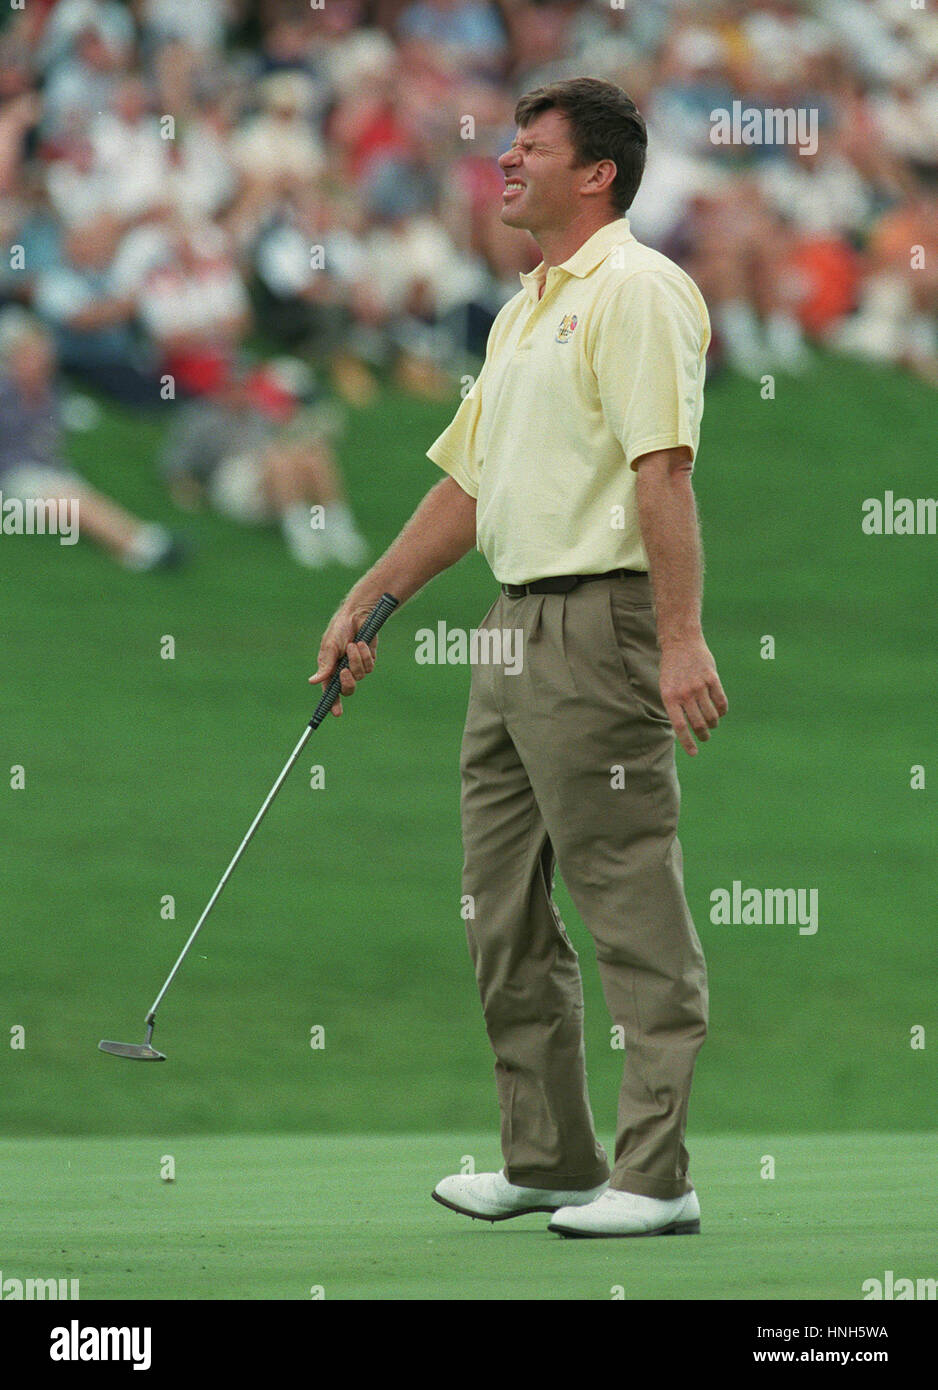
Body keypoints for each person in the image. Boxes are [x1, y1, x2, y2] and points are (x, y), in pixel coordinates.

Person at [310, 76, 727, 1238]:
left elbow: (663, 471)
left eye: (527, 148)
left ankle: (655, 1177)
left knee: (625, 896)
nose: (501, 160)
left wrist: (680, 636)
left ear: (593, 172)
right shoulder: (525, 305)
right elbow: (468, 483)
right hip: (511, 626)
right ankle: (546, 1156)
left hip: (603, 622)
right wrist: (370, 599)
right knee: (499, 904)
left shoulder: (638, 291)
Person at [0, 310, 184, 569]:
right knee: (70, 504)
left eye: (45, 355)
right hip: (12, 478)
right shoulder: (5, 393)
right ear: (15, 358)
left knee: (81, 498)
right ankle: (141, 549)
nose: (43, 362)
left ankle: (142, 537)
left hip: (46, 469)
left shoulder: (51, 390)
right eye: (35, 356)